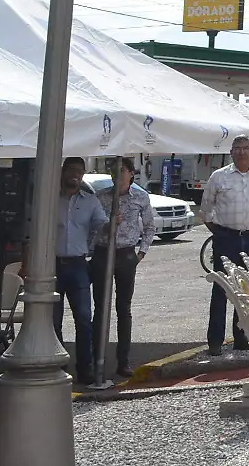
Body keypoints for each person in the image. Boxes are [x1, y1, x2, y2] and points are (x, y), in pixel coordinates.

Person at [198, 135, 249, 356]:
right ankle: (215, 341)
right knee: (221, 288)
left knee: (247, 289)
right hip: (225, 237)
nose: (242, 152)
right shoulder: (219, 177)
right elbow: (206, 208)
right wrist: (219, 232)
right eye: (237, 148)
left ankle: (242, 337)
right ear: (231, 152)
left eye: (246, 148)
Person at [50, 157, 110, 384]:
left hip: (77, 265)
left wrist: (111, 224)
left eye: (79, 171)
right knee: (53, 320)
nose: (75, 174)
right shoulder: (51, 199)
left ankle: (85, 368)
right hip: (52, 265)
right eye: (71, 170)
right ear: (63, 172)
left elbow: (102, 224)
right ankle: (58, 365)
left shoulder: (90, 201)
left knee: (84, 319)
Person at [94, 157, 154, 379]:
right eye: (112, 171)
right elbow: (92, 229)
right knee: (100, 308)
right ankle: (96, 360)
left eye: (121, 170)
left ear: (131, 174)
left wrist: (141, 252)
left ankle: (123, 361)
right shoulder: (101, 197)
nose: (116, 175)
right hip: (103, 253)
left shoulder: (140, 197)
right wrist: (106, 227)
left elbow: (149, 226)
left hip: (126, 253)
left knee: (123, 308)